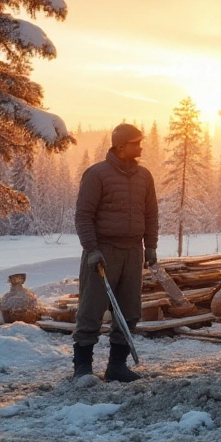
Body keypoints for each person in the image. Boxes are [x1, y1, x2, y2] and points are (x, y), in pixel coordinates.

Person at [71, 123, 159, 382]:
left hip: (133, 251)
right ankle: (83, 368)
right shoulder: (97, 174)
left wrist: (150, 245)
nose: (140, 147)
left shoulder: (144, 176)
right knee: (91, 309)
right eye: (135, 142)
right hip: (103, 252)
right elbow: (83, 215)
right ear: (120, 145)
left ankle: (116, 367)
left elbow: (151, 214)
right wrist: (92, 250)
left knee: (129, 310)